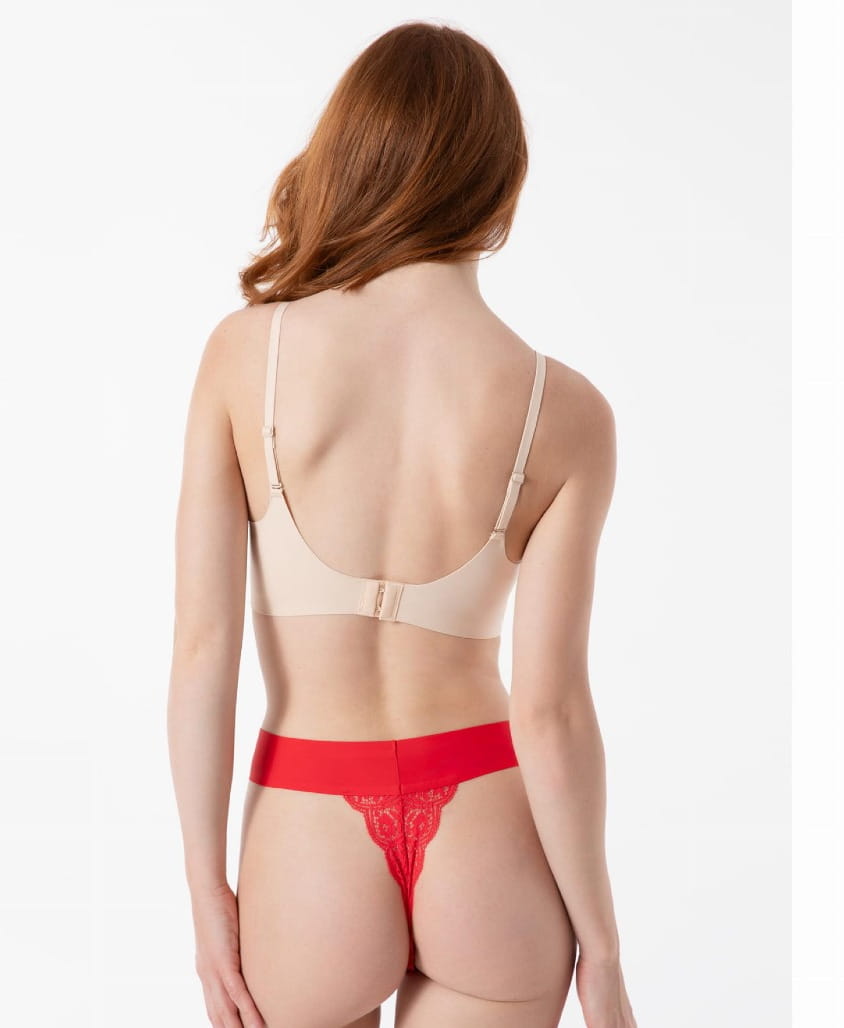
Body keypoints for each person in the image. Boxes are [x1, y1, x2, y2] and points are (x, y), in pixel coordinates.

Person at [167, 19, 636, 1028]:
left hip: (308, 830)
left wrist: (206, 892)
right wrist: (602, 951)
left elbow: (204, 648)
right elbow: (552, 712)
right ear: (502, 185)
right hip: (489, 833)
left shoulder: (247, 357)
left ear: (352, 155)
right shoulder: (567, 412)